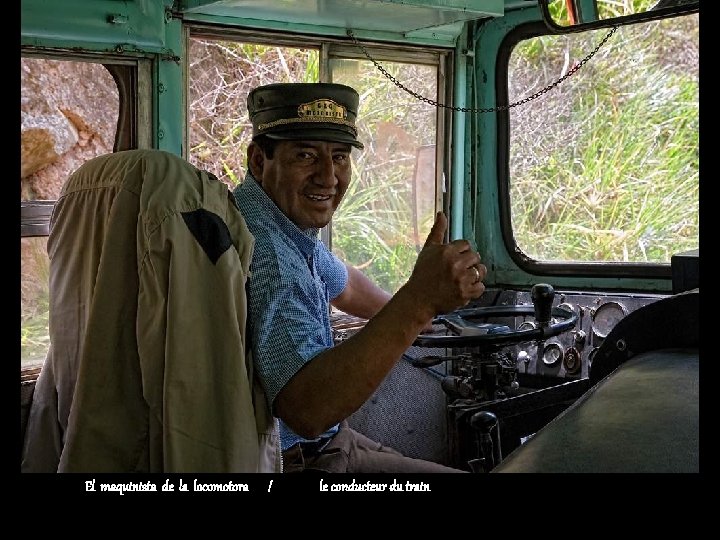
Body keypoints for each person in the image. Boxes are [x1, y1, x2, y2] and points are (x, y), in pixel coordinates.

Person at [233, 82, 487, 473]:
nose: (328, 177)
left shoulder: (273, 221)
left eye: (339, 157)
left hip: (328, 442)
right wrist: (420, 303)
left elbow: (346, 284)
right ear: (258, 160)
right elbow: (309, 410)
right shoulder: (268, 255)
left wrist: (426, 320)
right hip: (298, 460)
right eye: (305, 155)